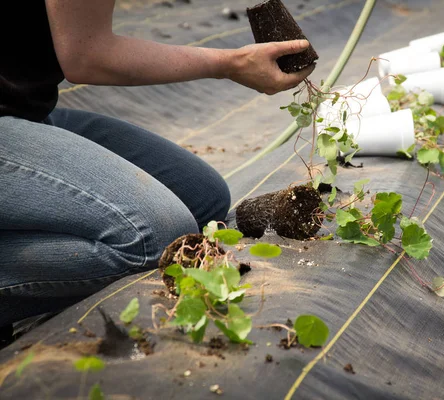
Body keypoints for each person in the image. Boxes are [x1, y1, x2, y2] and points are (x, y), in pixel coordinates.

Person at [0, 1, 315, 340]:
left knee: (202, 197)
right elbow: (87, 56)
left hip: (25, 110)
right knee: (153, 236)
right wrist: (233, 63)